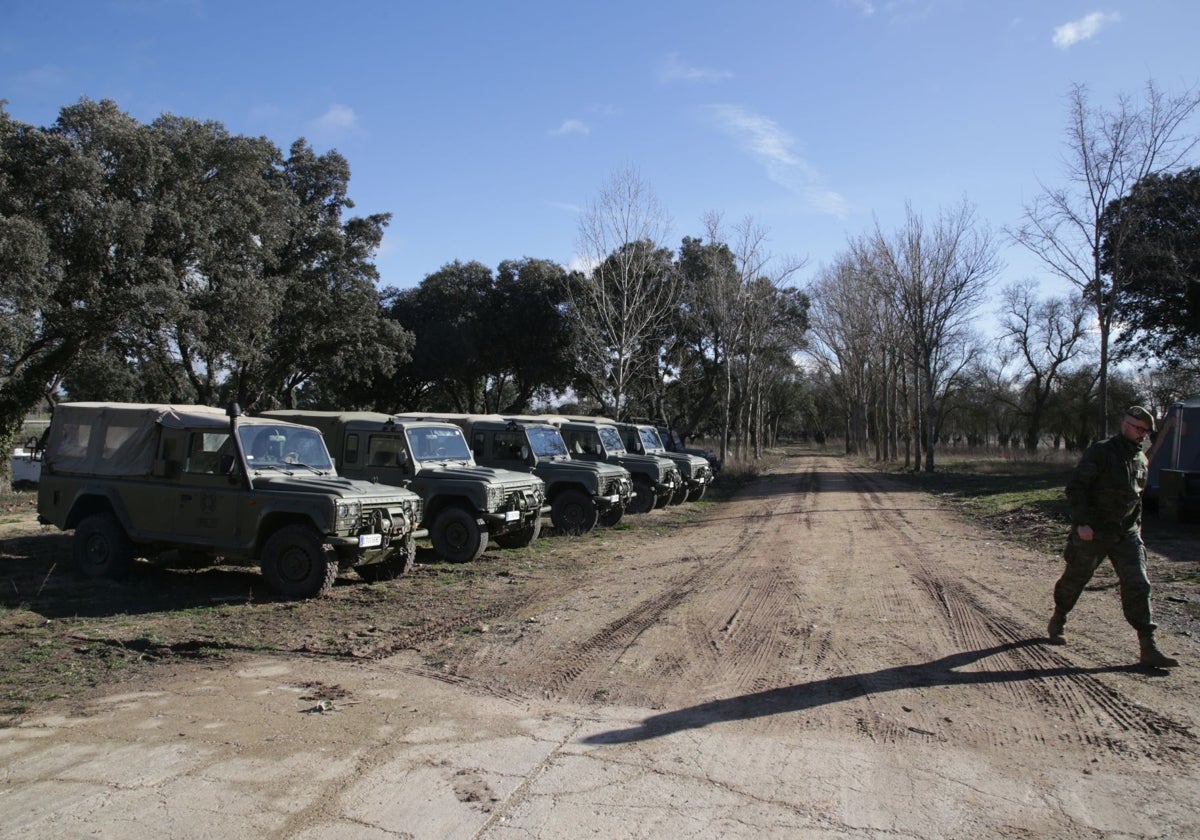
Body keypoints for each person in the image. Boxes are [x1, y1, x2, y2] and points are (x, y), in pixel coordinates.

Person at [1047, 406, 1179, 668]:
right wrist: (1082, 523)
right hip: (1094, 531)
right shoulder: (1101, 451)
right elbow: (1076, 488)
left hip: (1126, 533)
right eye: (1139, 428)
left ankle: (1147, 645)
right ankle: (1059, 616)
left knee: (1138, 584)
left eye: (1146, 431)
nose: (1142, 434)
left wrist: (1137, 529)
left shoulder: (1140, 458)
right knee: (1076, 578)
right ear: (1125, 424)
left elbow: (1136, 498)